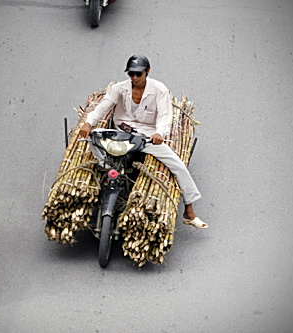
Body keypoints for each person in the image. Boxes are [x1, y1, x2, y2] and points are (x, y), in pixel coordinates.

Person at [79, 54, 208, 229]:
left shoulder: (159, 90)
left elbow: (164, 117)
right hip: (121, 133)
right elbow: (102, 107)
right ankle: (105, 166)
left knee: (176, 164)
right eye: (131, 74)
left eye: (138, 74)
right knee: (94, 136)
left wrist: (159, 133)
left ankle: (189, 210)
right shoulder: (120, 88)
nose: (134, 78)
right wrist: (88, 123)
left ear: (147, 71)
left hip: (146, 137)